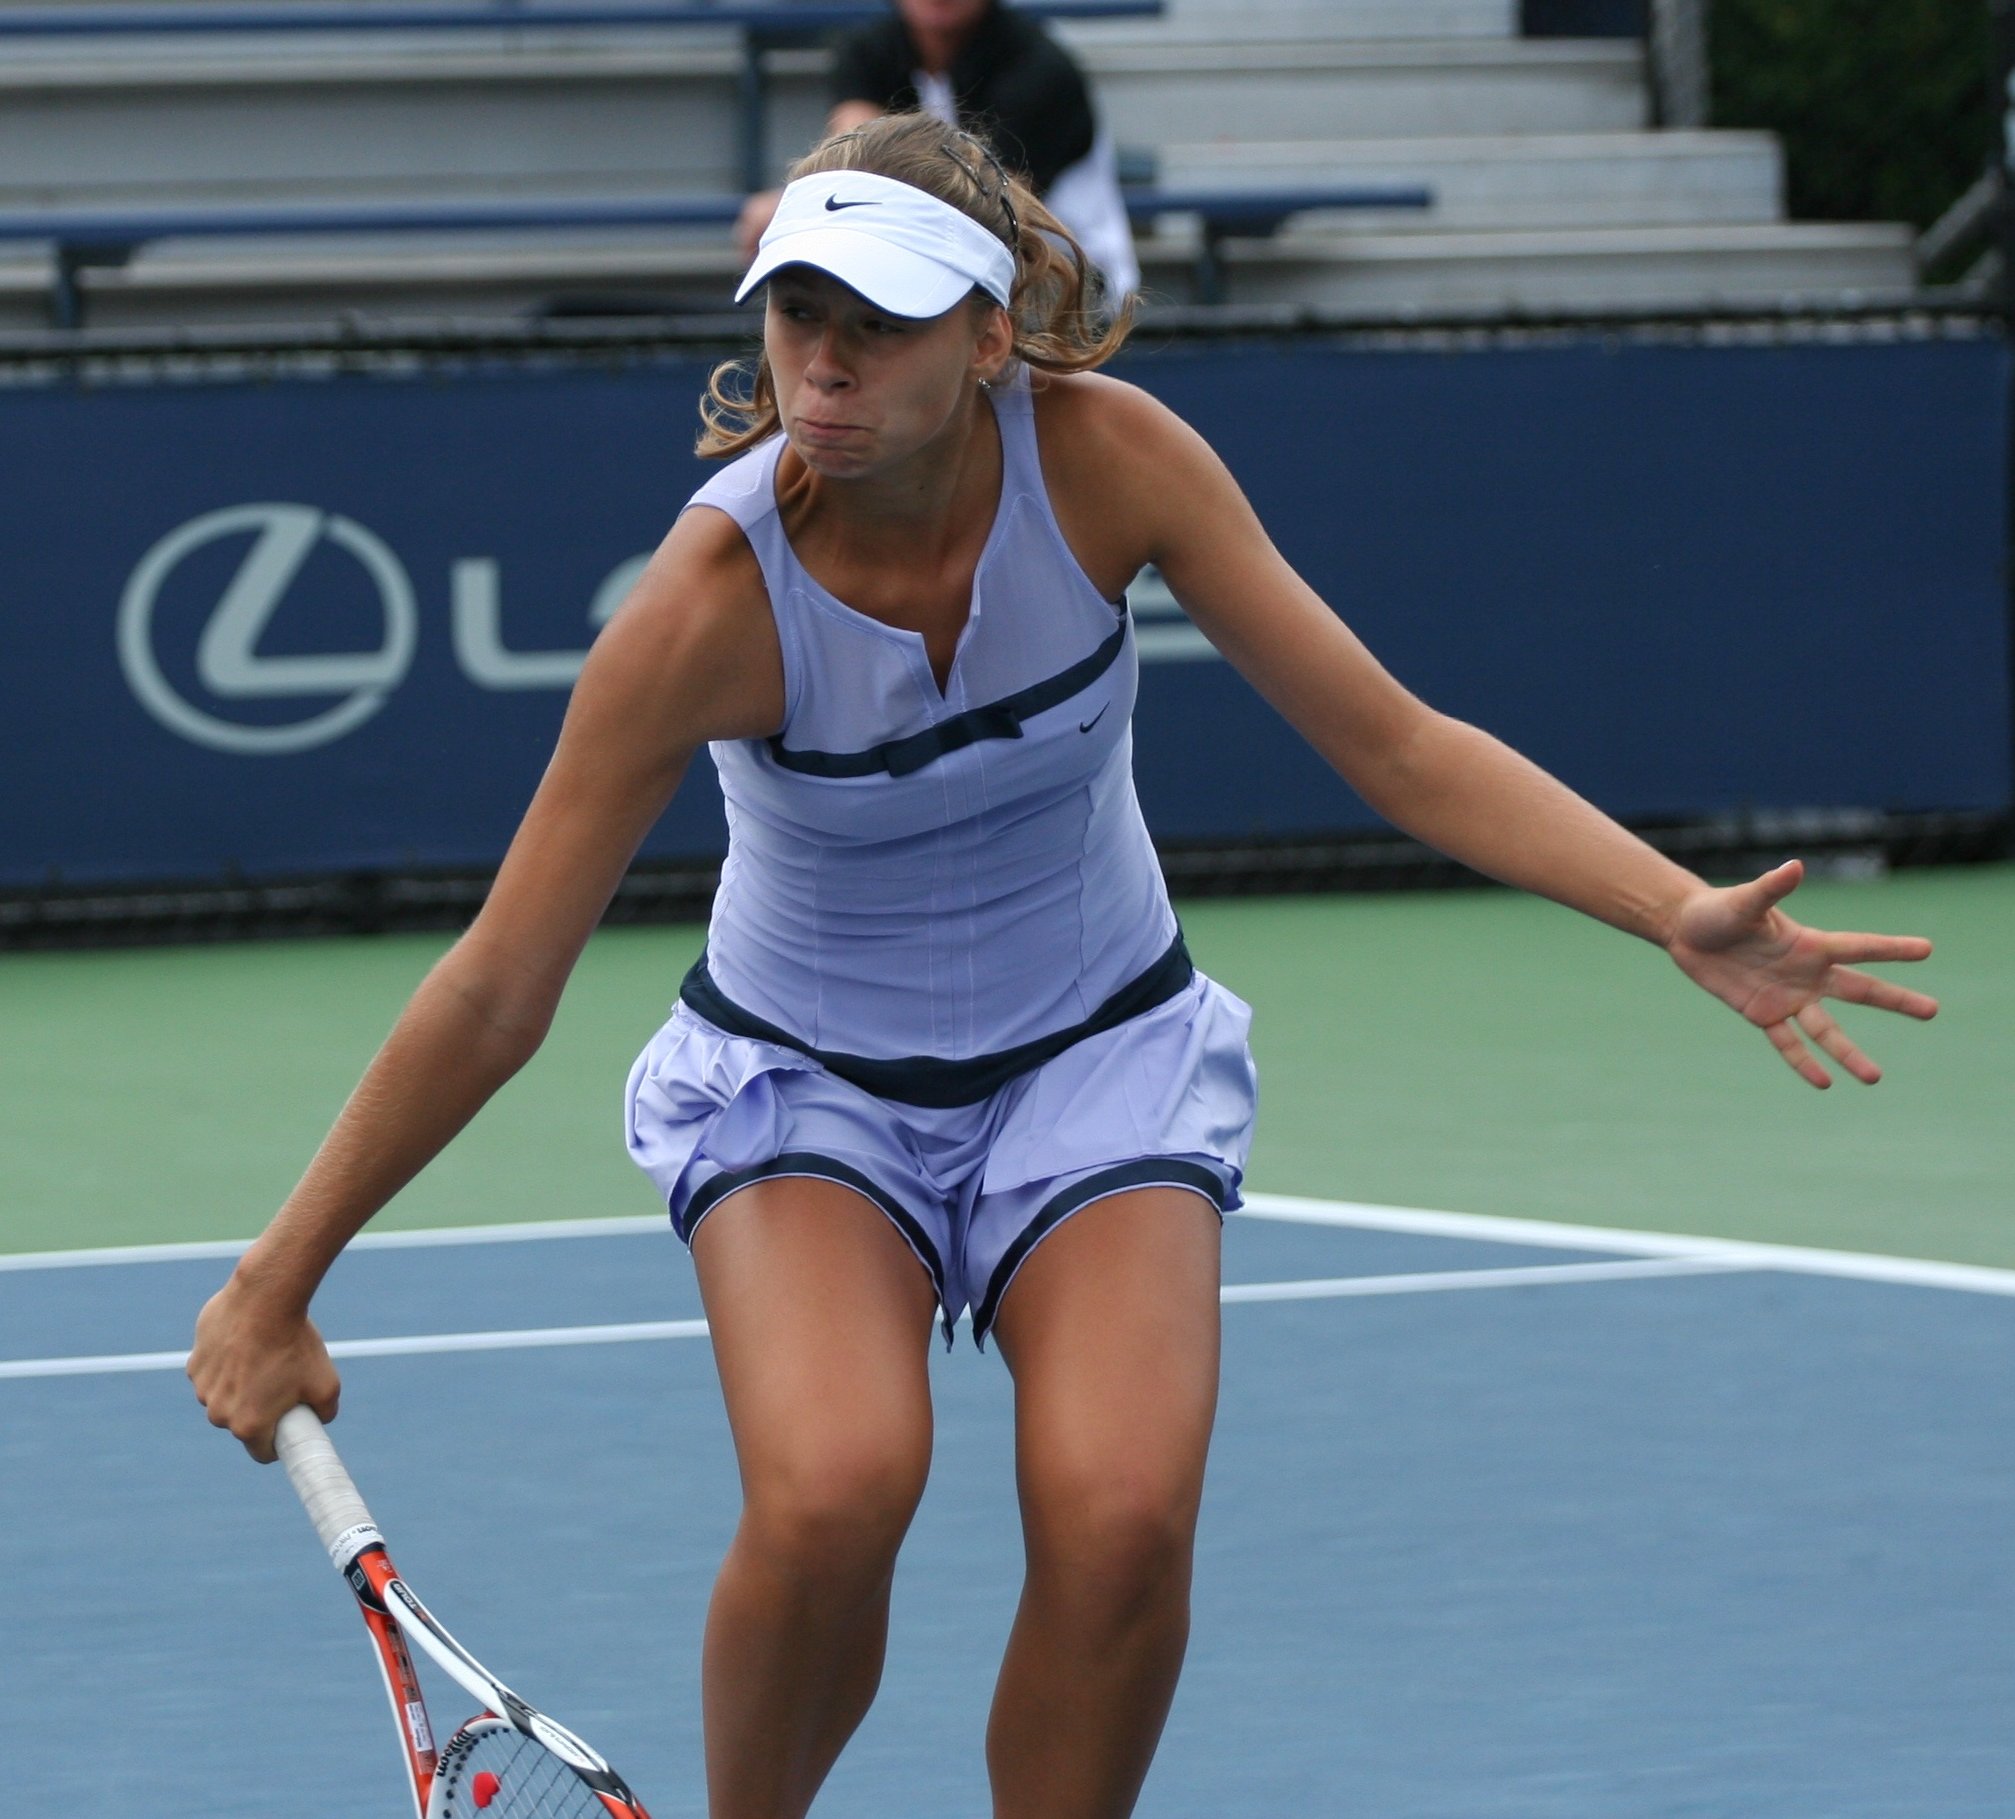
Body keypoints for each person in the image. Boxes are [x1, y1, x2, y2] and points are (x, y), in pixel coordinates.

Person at [188, 111, 1939, 1819]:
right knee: (837, 1490)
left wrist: (1670, 908)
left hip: (1099, 1060)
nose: (827, 360)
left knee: (1121, 1518)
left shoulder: (1112, 464)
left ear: (989, 333)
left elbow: (1397, 745)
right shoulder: (703, 608)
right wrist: (280, 1274)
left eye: (879, 322)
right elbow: (501, 981)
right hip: (807, 1091)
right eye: (803, 312)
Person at [738, 0, 1140, 301]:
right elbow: (855, 158)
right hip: (946, 277)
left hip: (1066, 293)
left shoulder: (1043, 70)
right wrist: (799, 204)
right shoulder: (867, 49)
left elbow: (982, 206)